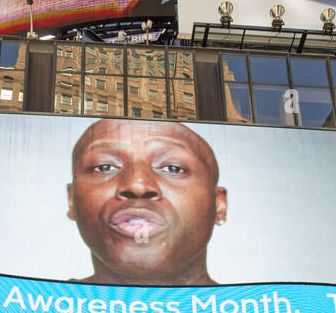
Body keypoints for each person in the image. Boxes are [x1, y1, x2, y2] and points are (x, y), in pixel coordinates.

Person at [67, 118, 227, 286]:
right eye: (104, 167)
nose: (137, 185)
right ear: (71, 200)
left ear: (218, 205)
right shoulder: (46, 305)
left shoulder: (250, 309)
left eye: (173, 168)